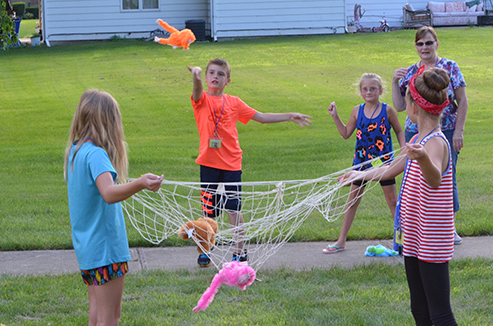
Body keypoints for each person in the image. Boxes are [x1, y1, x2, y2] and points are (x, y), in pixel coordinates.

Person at [342, 67, 457, 325]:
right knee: (419, 307)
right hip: (414, 234)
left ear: (414, 107)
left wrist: (424, 158)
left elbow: (435, 178)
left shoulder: (435, 142)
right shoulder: (417, 138)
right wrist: (357, 176)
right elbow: (388, 170)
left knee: (440, 312)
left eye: (406, 103)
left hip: (432, 236)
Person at [187, 58, 312, 267]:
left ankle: (239, 252)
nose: (215, 77)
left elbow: (261, 117)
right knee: (208, 210)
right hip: (208, 163)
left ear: (228, 80)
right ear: (206, 77)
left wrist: (290, 116)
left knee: (234, 209)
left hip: (232, 164)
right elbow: (198, 92)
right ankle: (206, 248)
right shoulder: (201, 100)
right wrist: (196, 76)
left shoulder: (234, 102)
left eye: (220, 74)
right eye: (212, 73)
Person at [64, 90, 164, 326]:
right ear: (109, 121)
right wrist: (139, 183)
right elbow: (108, 193)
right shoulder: (97, 155)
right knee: (110, 318)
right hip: (106, 250)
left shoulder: (76, 150)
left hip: (88, 249)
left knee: (97, 314)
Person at [392, 26, 468, 245]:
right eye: (420, 43)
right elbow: (400, 106)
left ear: (437, 43)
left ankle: (448, 228)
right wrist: (394, 83)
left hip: (445, 129)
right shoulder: (410, 71)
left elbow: (462, 100)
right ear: (415, 46)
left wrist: (459, 131)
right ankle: (416, 226)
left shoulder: (450, 66)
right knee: (414, 178)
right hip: (414, 131)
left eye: (428, 42)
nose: (424, 47)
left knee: (445, 178)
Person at [322, 73, 405, 254]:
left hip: (385, 164)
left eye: (373, 89)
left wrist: (404, 151)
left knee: (393, 202)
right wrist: (335, 116)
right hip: (361, 163)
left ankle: (403, 241)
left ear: (380, 91)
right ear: (360, 91)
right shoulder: (357, 111)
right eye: (365, 89)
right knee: (352, 201)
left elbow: (399, 130)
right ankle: (341, 241)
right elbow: (345, 133)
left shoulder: (387, 110)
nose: (369, 92)